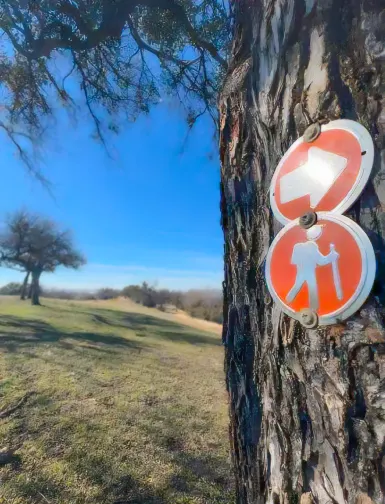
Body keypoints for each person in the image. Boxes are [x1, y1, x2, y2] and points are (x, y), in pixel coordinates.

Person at [286, 225, 340, 310]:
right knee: (312, 287)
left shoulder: (297, 246)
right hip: (309, 271)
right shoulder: (312, 247)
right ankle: (314, 308)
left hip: (300, 270)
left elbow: (294, 261)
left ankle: (288, 300)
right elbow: (321, 261)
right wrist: (331, 256)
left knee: (297, 285)